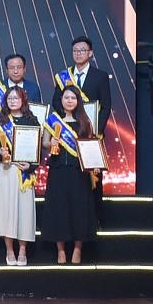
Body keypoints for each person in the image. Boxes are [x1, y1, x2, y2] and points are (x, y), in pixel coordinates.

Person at [41, 85, 98, 264]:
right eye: (66, 97)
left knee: (78, 209)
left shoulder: (85, 121)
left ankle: (77, 249)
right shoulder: (53, 120)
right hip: (58, 170)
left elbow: (91, 146)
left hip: (78, 172)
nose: (69, 101)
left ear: (78, 100)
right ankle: (61, 250)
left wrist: (95, 164)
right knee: (59, 209)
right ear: (61, 100)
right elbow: (44, 143)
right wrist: (51, 143)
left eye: (73, 98)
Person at [0, 86, 39, 266]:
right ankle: (9, 250)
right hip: (5, 171)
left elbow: (37, 149)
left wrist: (31, 165)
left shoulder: (32, 121)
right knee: (6, 211)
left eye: (16, 98)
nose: (12, 101)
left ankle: (23, 250)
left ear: (23, 100)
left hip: (24, 172)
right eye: (9, 98)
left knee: (24, 211)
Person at [50, 36, 112, 135]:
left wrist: (96, 130)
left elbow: (106, 106)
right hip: (68, 129)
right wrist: (67, 119)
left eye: (82, 50)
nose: (78, 53)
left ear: (90, 53)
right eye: (75, 50)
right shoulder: (64, 76)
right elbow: (56, 101)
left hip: (91, 129)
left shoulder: (101, 76)